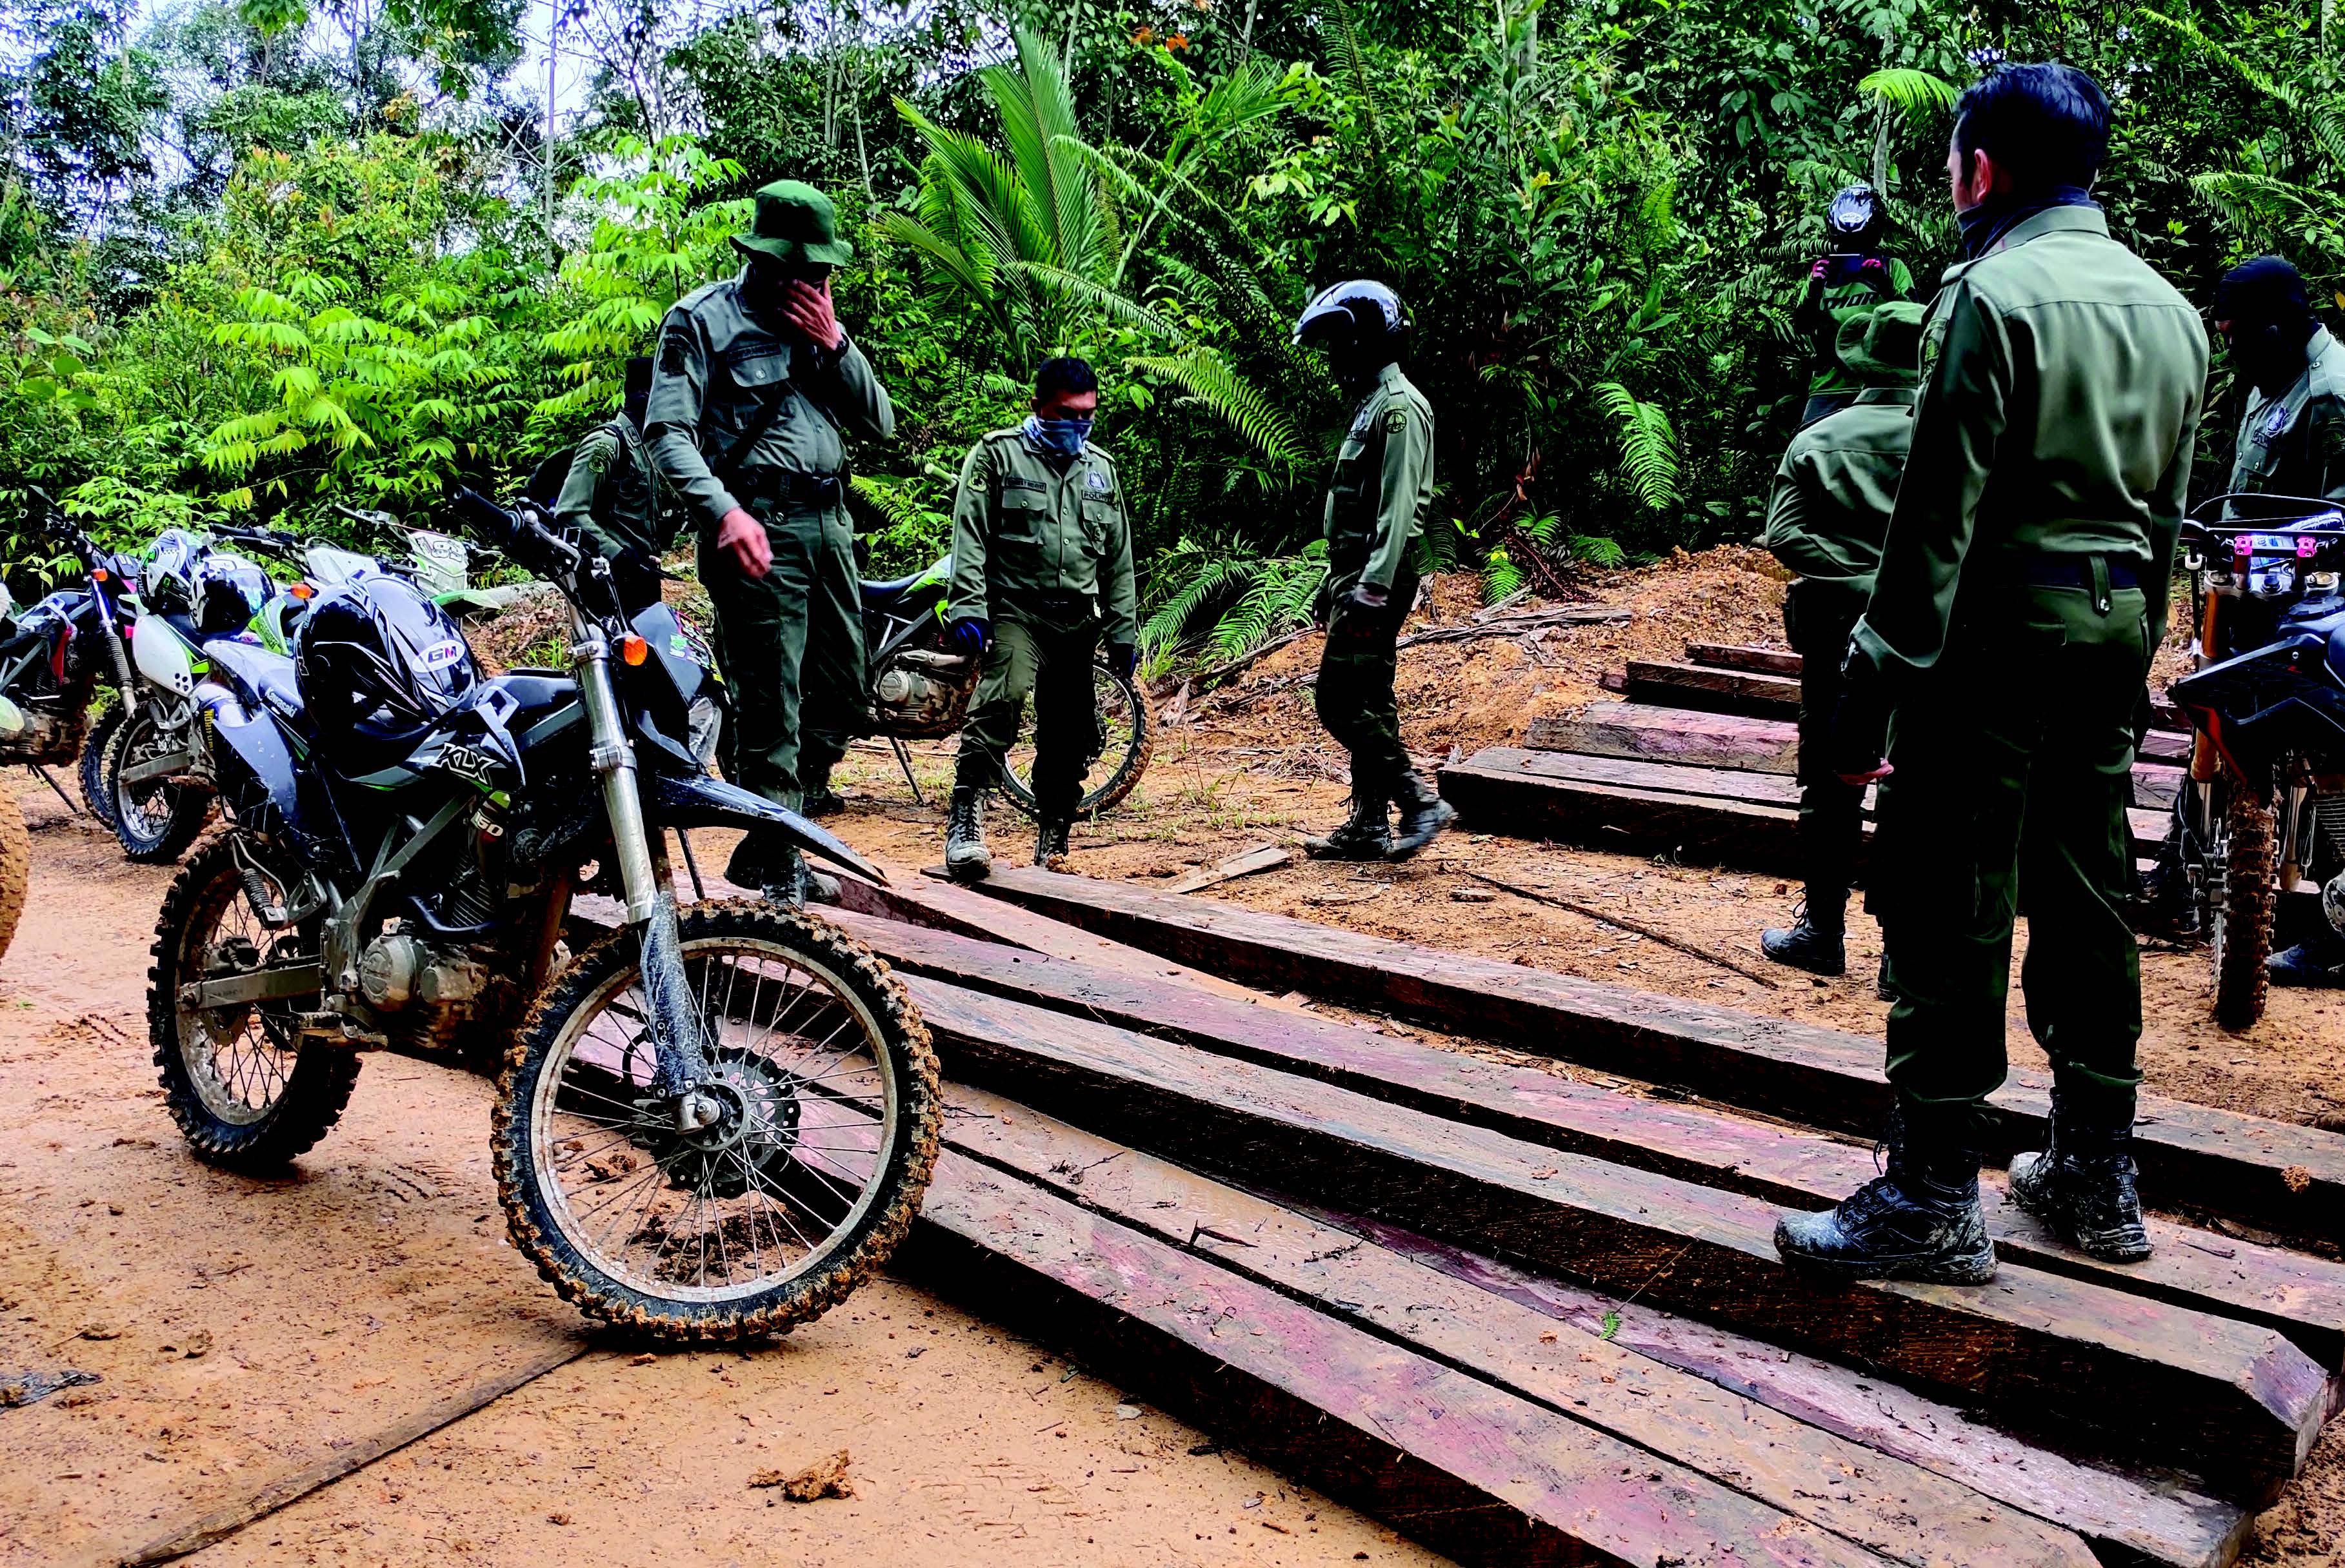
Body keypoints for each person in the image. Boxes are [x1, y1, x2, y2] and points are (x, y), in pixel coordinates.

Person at [1774, 63, 2208, 1282]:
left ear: (1984, 168)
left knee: (1946, 890)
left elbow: (1933, 520)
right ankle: (2097, 1174)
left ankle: (1928, 1196)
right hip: (2113, 631)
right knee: (2087, 888)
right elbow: (2164, 516)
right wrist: (2138, 647)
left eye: (1956, 160)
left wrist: (1871, 679)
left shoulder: (1990, 296)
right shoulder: (2172, 314)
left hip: (1993, 641)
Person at [644, 179, 895, 905]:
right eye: (809, 271)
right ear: (768, 261)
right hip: (755, 529)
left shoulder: (820, 325)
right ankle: (780, 857)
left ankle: (772, 831)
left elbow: (879, 422)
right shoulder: (702, 322)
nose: (821, 284)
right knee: (771, 703)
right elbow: (668, 432)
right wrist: (722, 512)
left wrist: (835, 343)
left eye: (826, 273)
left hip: (828, 526)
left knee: (846, 687)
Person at [1759, 301, 1927, 977]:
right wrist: (1895, 576)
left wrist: (1852, 572)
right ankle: (1899, 952)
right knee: (1910, 782)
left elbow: (1783, 536)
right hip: (1921, 631)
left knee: (1830, 784)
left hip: (1833, 629)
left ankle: (1822, 933)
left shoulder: (1817, 440)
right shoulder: (1946, 440)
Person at [939, 358, 1138, 880]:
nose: (1076, 425)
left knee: (1070, 732)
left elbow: (1117, 559)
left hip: (1077, 619)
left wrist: (1123, 629)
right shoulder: (997, 456)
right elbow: (970, 537)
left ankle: (1053, 837)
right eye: (1064, 414)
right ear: (1038, 406)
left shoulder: (1101, 469)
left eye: (1086, 415)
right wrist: (968, 607)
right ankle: (965, 817)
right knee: (1003, 694)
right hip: (1016, 611)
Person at [1290, 279, 1452, 862]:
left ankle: (1416, 800)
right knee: (1370, 698)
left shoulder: (1400, 410)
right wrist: (1331, 583)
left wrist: (1373, 586)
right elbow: (1352, 507)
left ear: (1365, 342)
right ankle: (1367, 823)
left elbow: (1400, 508)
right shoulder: (1372, 407)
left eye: (1339, 346)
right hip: (1356, 575)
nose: (1333, 360)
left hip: (1376, 581)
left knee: (1336, 699)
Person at [553, 355, 670, 613]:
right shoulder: (607, 444)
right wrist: (618, 555)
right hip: (607, 577)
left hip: (641, 575)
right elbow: (570, 512)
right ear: (645, 395)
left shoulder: (648, 447)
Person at [1793, 184, 1915, 427]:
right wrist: (1815, 290)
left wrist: (1885, 285)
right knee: (1808, 447)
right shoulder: (1822, 274)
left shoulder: (1893, 269)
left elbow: (1914, 320)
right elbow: (1801, 325)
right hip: (1829, 387)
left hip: (1883, 385)